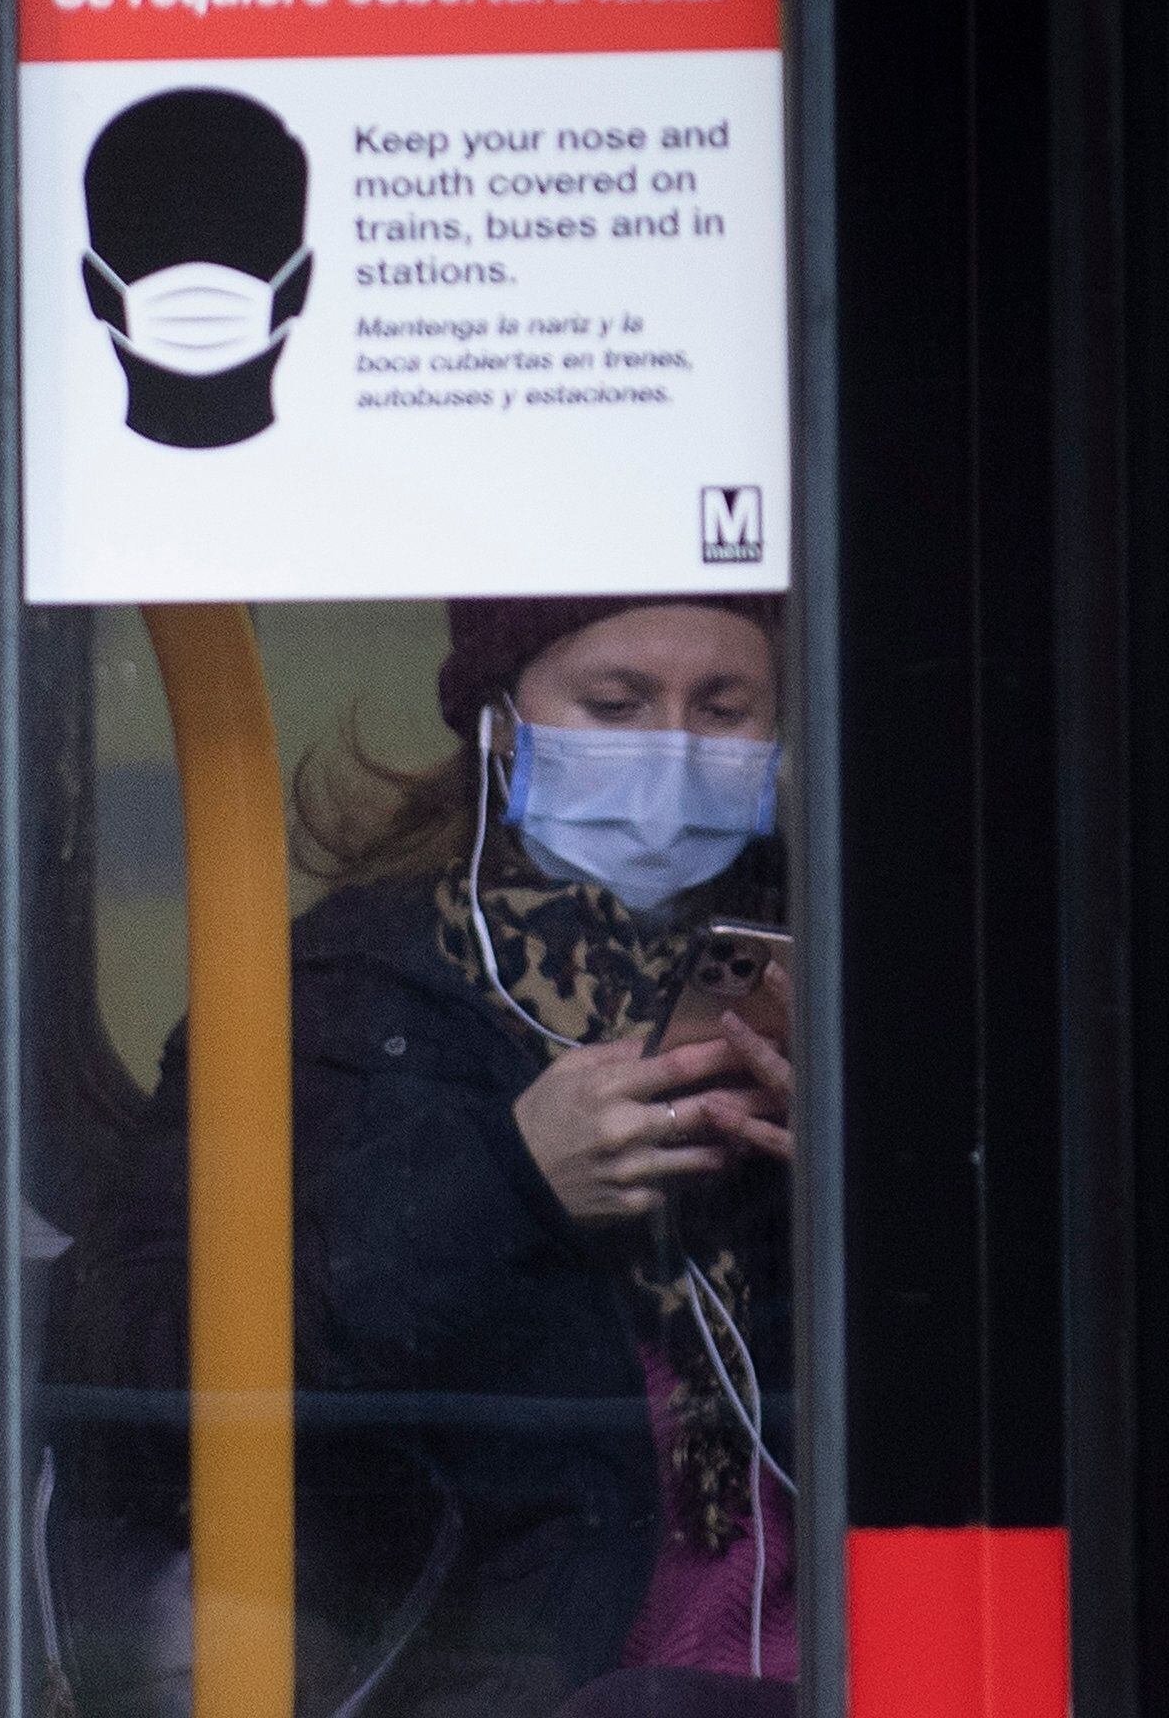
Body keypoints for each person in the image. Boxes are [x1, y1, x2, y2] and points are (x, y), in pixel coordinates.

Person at [51, 594, 796, 1718]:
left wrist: (846, 1178)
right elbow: (140, 1382)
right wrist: (509, 1180)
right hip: (515, 1675)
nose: (672, 752)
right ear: (499, 722)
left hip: (844, 1648)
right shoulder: (344, 1002)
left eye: (723, 707)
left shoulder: (840, 973)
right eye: (616, 704)